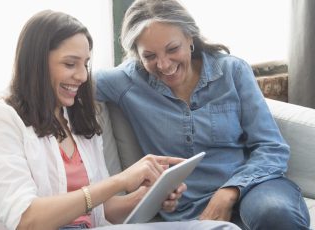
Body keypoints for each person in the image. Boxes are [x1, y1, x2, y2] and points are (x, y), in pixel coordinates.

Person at [0, 9, 239, 230]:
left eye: (85, 64)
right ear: (36, 63)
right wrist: (120, 182)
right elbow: (26, 221)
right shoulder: (1, 118)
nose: (83, 76)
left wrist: (147, 198)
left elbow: (102, 211)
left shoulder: (77, 117)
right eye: (69, 64)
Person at [93, 0, 310, 229]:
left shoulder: (232, 71)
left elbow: (271, 147)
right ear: (136, 54)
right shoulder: (126, 82)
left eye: (172, 49)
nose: (164, 65)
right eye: (149, 56)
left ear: (189, 37)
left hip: (254, 187)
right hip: (190, 210)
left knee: (274, 213)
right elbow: (69, 80)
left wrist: (230, 191)